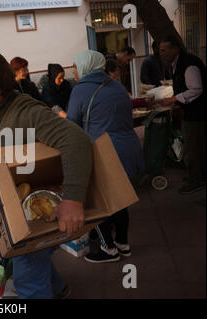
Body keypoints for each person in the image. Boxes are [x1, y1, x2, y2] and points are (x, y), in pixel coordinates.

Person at [0, 47, 93, 299]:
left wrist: (73, 200)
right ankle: (59, 289)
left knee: (26, 279)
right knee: (32, 264)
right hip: (9, 209)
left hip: (30, 215)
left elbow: (77, 141)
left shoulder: (26, 112)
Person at [67, 50, 144, 263]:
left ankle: (108, 249)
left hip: (104, 152)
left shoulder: (81, 90)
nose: (73, 70)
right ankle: (122, 244)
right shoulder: (117, 86)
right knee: (120, 199)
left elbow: (73, 125)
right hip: (129, 148)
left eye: (74, 65)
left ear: (84, 66)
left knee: (98, 202)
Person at [159, 35, 206, 195]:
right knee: (196, 145)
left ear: (175, 49)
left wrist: (174, 99)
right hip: (192, 111)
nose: (161, 53)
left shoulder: (188, 64)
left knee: (193, 146)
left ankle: (197, 179)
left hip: (198, 112)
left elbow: (196, 89)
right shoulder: (177, 63)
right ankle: (197, 175)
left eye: (164, 50)